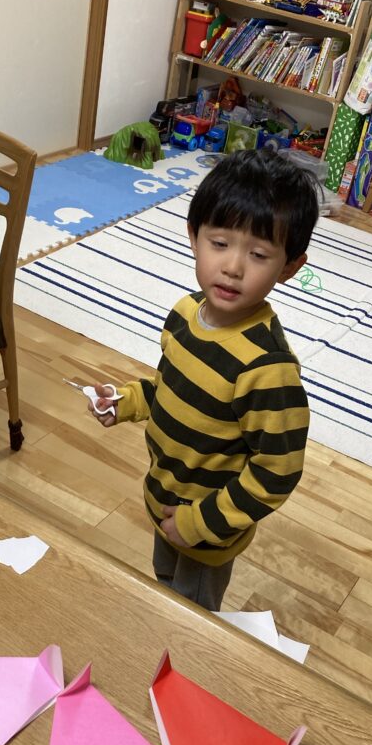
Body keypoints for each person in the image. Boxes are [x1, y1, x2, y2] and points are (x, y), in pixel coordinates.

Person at [88, 149, 318, 610]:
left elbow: (277, 472)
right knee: (163, 584)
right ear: (194, 236)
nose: (233, 266)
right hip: (164, 499)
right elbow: (170, 388)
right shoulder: (184, 313)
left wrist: (200, 524)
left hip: (209, 530)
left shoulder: (267, 368)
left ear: (290, 267)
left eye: (258, 254)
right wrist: (127, 400)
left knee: (188, 616)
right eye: (220, 243)